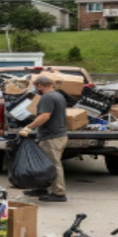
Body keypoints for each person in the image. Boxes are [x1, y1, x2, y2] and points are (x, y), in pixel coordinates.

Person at [19, 75, 69, 203]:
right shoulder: (58, 95)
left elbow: (45, 116)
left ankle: (58, 193)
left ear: (40, 85)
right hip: (56, 135)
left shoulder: (47, 97)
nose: (36, 89)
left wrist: (29, 127)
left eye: (36, 86)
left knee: (53, 165)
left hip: (52, 137)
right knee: (43, 165)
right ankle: (41, 188)